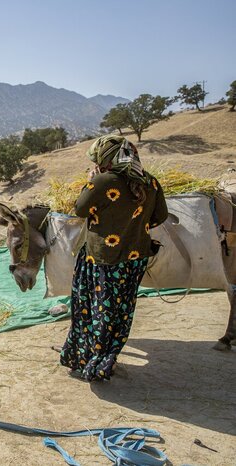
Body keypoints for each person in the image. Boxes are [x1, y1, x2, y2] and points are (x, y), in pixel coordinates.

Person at [60, 135, 168, 381]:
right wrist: (134, 226)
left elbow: (80, 209)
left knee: (94, 310)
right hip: (135, 259)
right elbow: (160, 215)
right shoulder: (150, 182)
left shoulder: (102, 182)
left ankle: (90, 360)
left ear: (106, 159)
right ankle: (108, 358)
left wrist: (90, 182)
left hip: (102, 260)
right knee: (121, 310)